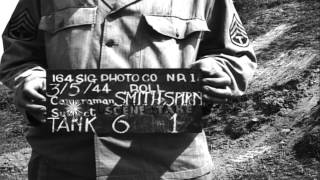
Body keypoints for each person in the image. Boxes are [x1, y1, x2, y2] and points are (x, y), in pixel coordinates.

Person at [0, 0, 256, 179]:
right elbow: (19, 55)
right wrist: (29, 78)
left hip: (169, 168)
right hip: (65, 167)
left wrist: (218, 70)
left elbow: (234, 56)